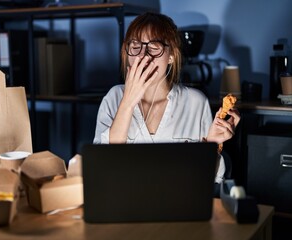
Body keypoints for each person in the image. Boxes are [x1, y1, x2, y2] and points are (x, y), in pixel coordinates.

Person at [93, 12, 240, 185]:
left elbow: (207, 180)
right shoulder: (114, 97)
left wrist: (214, 143)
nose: (143, 56)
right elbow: (102, 168)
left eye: (154, 47)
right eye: (135, 46)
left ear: (171, 56)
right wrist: (127, 102)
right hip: (124, 204)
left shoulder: (195, 103)